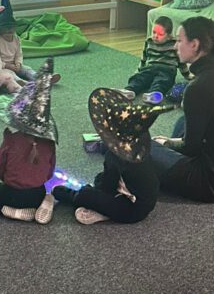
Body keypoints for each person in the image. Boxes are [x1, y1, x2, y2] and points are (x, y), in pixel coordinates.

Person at [150, 17, 214, 202]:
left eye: (180, 40)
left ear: (195, 44)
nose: (176, 46)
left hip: (211, 183)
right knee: (183, 121)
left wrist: (167, 143)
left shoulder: (197, 88)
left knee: (143, 144)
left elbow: (190, 148)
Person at [53, 88, 169, 224]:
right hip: (142, 198)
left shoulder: (116, 156)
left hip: (133, 210)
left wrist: (92, 194)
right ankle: (104, 207)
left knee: (84, 194)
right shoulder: (139, 147)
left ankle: (100, 210)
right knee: (99, 179)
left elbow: (108, 184)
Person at [0, 58, 58, 223]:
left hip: (11, 195)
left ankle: (7, 210)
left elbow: (0, 169)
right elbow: (50, 172)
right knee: (43, 192)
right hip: (36, 194)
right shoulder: (49, 141)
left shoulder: (11, 139)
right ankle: (43, 203)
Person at [121, 16, 182, 100]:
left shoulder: (174, 44)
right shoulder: (149, 41)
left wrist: (187, 75)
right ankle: (129, 90)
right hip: (151, 68)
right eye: (154, 32)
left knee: (162, 81)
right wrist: (139, 71)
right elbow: (144, 58)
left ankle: (154, 94)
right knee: (140, 78)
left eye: (160, 34)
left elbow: (181, 61)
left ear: (169, 36)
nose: (155, 36)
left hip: (167, 70)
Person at [0, 0, 39, 83]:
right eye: (6, 28)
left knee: (27, 69)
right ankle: (21, 83)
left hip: (15, 64)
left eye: (11, 27)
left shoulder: (16, 38)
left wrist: (18, 63)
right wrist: (7, 65)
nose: (9, 30)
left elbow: (19, 53)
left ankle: (38, 77)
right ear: (0, 30)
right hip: (3, 66)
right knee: (9, 74)